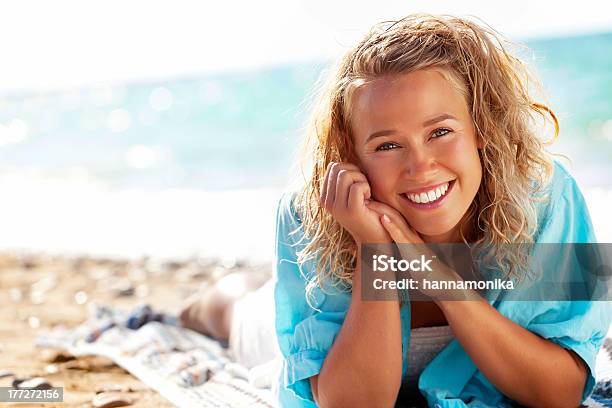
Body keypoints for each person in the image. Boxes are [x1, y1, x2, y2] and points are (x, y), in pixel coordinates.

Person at [181, 13, 611, 407]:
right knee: (234, 310)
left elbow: (562, 392)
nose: (420, 166)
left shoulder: (545, 197)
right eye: (387, 145)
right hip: (281, 331)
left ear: (481, 125)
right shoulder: (310, 211)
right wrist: (376, 251)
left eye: (440, 131)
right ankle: (215, 298)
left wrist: (444, 286)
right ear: (351, 152)